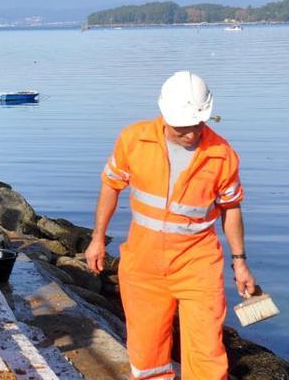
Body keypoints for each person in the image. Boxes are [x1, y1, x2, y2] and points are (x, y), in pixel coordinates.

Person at [85, 71, 257, 380]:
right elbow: (110, 186)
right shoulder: (134, 139)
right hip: (142, 265)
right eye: (182, 127)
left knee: (207, 354)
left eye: (197, 125)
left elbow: (231, 209)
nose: (191, 134)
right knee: (146, 354)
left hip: (198, 266)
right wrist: (97, 239)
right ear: (165, 115)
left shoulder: (222, 155)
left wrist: (240, 262)